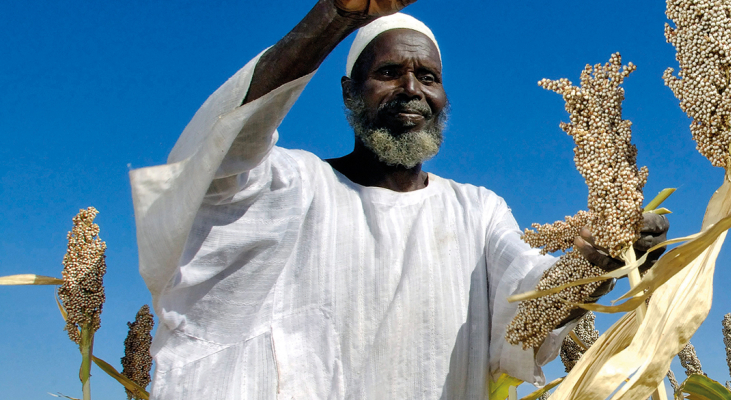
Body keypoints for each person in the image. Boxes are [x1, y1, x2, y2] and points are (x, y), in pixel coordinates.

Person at [127, 0, 666, 398]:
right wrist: (335, 15)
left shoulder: (476, 211)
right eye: (389, 73)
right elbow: (216, 157)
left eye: (427, 77)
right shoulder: (294, 186)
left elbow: (526, 304)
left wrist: (598, 264)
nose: (412, 89)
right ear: (349, 93)